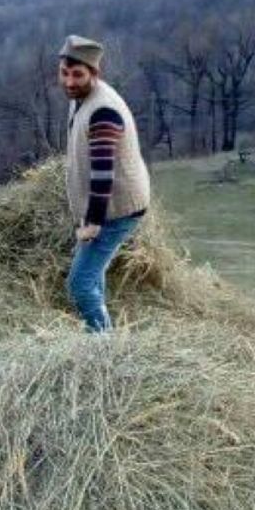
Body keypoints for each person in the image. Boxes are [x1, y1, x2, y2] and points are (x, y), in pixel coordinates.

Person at [59, 35, 151, 332]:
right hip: (104, 207)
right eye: (64, 73)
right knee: (92, 275)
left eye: (77, 74)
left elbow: (103, 172)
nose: (69, 81)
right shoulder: (82, 98)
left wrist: (93, 223)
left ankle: (104, 346)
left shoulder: (103, 111)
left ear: (94, 74)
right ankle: (100, 331)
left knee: (80, 284)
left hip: (116, 209)